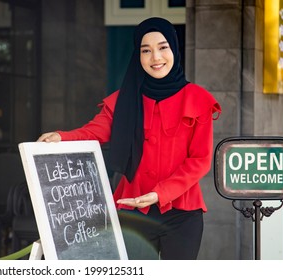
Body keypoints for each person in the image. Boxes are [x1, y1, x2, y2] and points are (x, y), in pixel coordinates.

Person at [37, 17, 221, 260]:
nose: (155, 57)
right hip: (132, 209)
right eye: (146, 50)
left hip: (182, 214)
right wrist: (61, 136)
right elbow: (95, 131)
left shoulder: (198, 99)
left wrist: (160, 193)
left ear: (174, 49)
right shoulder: (123, 99)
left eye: (163, 47)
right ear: (138, 56)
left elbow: (200, 160)